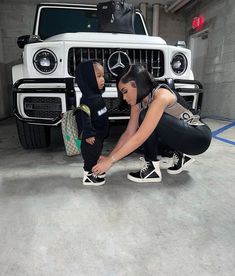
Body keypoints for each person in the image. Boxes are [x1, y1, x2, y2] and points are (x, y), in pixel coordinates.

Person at [92, 64, 212, 183]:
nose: (123, 97)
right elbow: (129, 133)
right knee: (138, 145)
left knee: (145, 118)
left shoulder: (161, 96)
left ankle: (152, 169)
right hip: (182, 136)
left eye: (125, 91)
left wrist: (111, 161)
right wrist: (109, 158)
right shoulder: (138, 102)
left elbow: (140, 136)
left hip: (199, 138)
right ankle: (180, 156)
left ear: (136, 84)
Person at [75, 60, 109, 185]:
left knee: (96, 153)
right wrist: (88, 134)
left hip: (98, 135)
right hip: (91, 138)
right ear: (88, 79)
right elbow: (84, 118)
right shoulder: (87, 100)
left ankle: (95, 169)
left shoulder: (96, 96)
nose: (102, 79)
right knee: (90, 155)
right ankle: (88, 175)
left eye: (103, 76)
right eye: (99, 76)